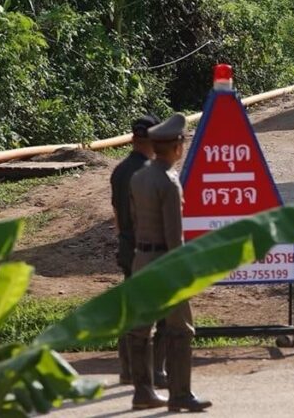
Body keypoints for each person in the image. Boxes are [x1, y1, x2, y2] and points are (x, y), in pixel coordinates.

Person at [128, 113, 212, 412]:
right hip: (165, 260)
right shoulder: (169, 181)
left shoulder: (139, 177)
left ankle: (142, 392)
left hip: (142, 257)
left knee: (141, 328)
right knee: (181, 329)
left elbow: (137, 220)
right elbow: (174, 235)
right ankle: (180, 394)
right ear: (177, 146)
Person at [109, 114, 168, 388]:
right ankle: (156, 372)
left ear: (133, 138)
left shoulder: (119, 171)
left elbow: (118, 215)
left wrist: (125, 240)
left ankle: (127, 370)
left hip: (127, 245)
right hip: (150, 248)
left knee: (130, 310)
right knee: (162, 312)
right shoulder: (152, 173)